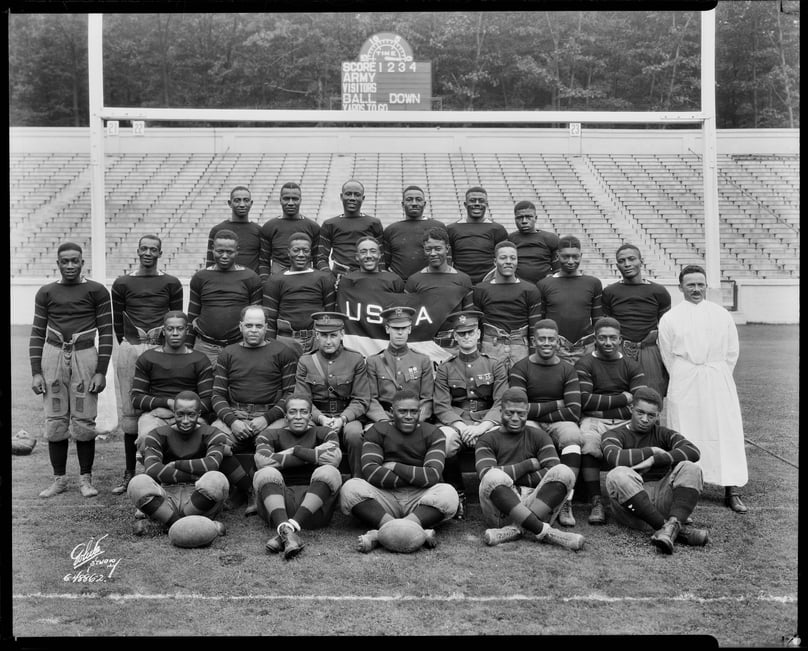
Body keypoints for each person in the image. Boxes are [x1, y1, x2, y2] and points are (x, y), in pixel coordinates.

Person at [658, 264, 749, 513]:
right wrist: (685, 374)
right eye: (691, 285)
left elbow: (731, 352)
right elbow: (667, 354)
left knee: (725, 429)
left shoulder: (721, 314)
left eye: (700, 284)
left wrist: (716, 374)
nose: (696, 289)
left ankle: (732, 489)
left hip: (717, 377)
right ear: (681, 287)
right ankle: (686, 486)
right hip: (685, 378)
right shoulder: (670, 318)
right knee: (686, 428)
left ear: (706, 286)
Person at [30, 241, 113, 499]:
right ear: (57, 263)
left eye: (74, 261)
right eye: (64, 261)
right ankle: (59, 480)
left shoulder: (97, 291)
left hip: (85, 354)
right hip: (53, 354)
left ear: (82, 262)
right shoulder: (46, 292)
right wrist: (36, 371)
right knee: (55, 419)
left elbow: (107, 332)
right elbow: (36, 333)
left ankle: (85, 479)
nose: (69, 265)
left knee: (84, 419)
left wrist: (101, 370)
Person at [339, 389, 459, 552]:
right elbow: (372, 473)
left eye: (413, 411)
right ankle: (417, 531)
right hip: (385, 496)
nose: (408, 416)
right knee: (350, 488)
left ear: (420, 412)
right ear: (391, 412)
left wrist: (394, 466)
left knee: (448, 493)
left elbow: (432, 476)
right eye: (402, 411)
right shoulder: (377, 431)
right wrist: (418, 474)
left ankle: (378, 535)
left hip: (420, 497)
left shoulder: (434, 433)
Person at [110, 234, 184, 495]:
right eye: (144, 248)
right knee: (130, 410)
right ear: (137, 251)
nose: (148, 253)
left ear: (160, 253)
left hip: (162, 347)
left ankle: (160, 467)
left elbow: (176, 318)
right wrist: (133, 345)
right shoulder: (122, 283)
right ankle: (130, 471)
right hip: (131, 346)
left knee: (163, 406)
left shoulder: (171, 283)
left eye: (154, 249)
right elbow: (118, 324)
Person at [210, 305, 300, 511]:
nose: (253, 330)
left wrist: (266, 418)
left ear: (266, 327)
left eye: (258, 326)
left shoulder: (282, 352)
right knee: (215, 440)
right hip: (236, 412)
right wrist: (233, 422)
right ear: (240, 326)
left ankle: (265, 491)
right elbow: (217, 395)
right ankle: (243, 489)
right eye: (248, 325)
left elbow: (290, 394)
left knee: (275, 439)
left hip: (269, 413)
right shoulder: (228, 353)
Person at [474, 387, 584, 551]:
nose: (516, 418)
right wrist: (527, 465)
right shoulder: (487, 439)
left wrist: (513, 475)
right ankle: (544, 532)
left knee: (564, 472)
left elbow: (552, 470)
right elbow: (485, 473)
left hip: (537, 503)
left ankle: (516, 529)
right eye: (509, 413)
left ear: (527, 412)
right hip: (502, 510)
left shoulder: (539, 435)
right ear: (500, 410)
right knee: (493, 476)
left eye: (521, 414)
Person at [602, 386, 709, 554]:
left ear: (658, 415)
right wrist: (652, 451)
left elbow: (693, 451)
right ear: (631, 409)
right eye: (640, 412)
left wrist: (656, 459)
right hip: (632, 509)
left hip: (662, 498)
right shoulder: (614, 434)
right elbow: (615, 458)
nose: (645, 419)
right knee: (618, 474)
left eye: (651, 415)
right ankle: (671, 529)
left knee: (691, 468)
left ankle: (669, 527)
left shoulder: (664, 434)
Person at [508, 319, 585, 528]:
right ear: (534, 341)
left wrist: (537, 410)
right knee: (524, 436)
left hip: (559, 421)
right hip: (532, 420)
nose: (547, 343)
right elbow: (518, 409)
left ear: (558, 342)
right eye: (542, 339)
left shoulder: (567, 369)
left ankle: (566, 498)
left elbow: (574, 410)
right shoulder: (520, 368)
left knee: (572, 436)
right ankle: (532, 496)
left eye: (551, 339)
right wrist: (557, 404)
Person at [433, 310, 507, 519]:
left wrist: (482, 426)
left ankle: (497, 494)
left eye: (470, 332)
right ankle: (457, 492)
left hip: (487, 420)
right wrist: (462, 426)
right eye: (461, 333)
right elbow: (441, 405)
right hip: (459, 423)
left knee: (501, 440)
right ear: (455, 336)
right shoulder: (445, 368)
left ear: (478, 334)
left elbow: (501, 401)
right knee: (445, 441)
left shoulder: (494, 363)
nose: (466, 337)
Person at [573, 316, 647, 525]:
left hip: (623, 419)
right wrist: (623, 398)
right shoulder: (585, 363)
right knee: (588, 442)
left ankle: (634, 495)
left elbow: (639, 404)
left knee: (640, 436)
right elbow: (585, 401)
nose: (608, 343)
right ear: (595, 339)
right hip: (593, 419)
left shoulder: (631, 365)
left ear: (620, 339)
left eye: (613, 338)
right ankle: (596, 500)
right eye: (603, 338)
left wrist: (601, 408)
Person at [252, 395, 344, 560]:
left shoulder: (325, 432)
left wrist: (292, 452)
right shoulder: (269, 434)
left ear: (310, 416)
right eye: (293, 412)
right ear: (285, 416)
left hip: (315, 507)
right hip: (279, 505)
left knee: (330, 471)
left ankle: (288, 529)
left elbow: (333, 458)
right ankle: (287, 527)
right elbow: (262, 460)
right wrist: (307, 453)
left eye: (304, 412)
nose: (299, 416)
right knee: (266, 473)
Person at [127, 391, 230, 537]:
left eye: (191, 415)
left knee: (216, 478)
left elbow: (211, 465)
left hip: (198, 494)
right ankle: (191, 524)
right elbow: (152, 469)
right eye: (180, 414)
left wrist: (176, 464)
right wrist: (195, 473)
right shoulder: (157, 434)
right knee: (137, 483)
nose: (186, 420)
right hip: (167, 496)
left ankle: (165, 524)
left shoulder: (213, 433)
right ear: (173, 412)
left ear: (199, 413)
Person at [293, 311, 371, 478]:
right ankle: (309, 482)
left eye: (333, 335)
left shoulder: (355, 360)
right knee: (304, 431)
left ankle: (358, 479)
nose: (328, 341)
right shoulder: (306, 361)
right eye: (323, 335)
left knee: (355, 434)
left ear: (342, 334)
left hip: (347, 415)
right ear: (316, 335)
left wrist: (343, 419)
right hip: (316, 416)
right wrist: (321, 418)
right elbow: (302, 400)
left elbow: (361, 399)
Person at [130, 311, 215, 454]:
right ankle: (153, 471)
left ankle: (194, 472)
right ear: (164, 331)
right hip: (157, 415)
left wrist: (183, 411)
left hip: (192, 415)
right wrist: (167, 403)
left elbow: (208, 400)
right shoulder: (148, 358)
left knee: (205, 438)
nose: (175, 333)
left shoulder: (200, 360)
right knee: (147, 436)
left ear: (187, 331)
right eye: (170, 329)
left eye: (180, 329)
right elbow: (136, 398)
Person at [602, 243, 671, 398]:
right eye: (622, 261)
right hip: (620, 348)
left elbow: (667, 327)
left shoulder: (659, 291)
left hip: (648, 350)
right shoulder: (609, 292)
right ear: (617, 265)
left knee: (651, 396)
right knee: (618, 395)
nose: (627, 264)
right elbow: (607, 325)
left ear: (641, 260)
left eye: (631, 259)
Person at [187, 229, 263, 368]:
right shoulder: (200, 277)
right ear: (212, 250)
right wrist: (187, 346)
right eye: (220, 251)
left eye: (229, 252)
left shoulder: (250, 278)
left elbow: (257, 317)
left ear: (237, 251)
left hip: (239, 345)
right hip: (205, 346)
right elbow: (192, 314)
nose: (224, 256)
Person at [262, 232, 336, 355]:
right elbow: (270, 317)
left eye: (305, 251)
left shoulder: (324, 278)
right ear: (288, 252)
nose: (301, 255)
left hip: (317, 340)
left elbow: (330, 313)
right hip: (286, 342)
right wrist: (270, 346)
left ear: (310, 253)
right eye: (296, 250)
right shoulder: (275, 280)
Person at [473, 240, 542, 371]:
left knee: (519, 389)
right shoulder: (480, 290)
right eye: (503, 258)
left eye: (513, 258)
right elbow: (476, 326)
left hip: (521, 349)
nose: (508, 261)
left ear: (517, 261)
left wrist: (534, 358)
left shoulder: (530, 290)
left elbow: (534, 329)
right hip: (490, 347)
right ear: (495, 262)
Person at [404, 228, 474, 355]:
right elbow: (408, 318)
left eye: (438, 248)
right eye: (428, 249)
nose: (433, 253)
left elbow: (469, 317)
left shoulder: (463, 279)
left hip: (455, 347)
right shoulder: (414, 280)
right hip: (423, 346)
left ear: (447, 248)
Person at [536, 235, 603, 365]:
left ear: (581, 256)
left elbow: (598, 320)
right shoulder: (544, 284)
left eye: (575, 256)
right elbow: (540, 320)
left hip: (585, 347)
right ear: (557, 256)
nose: (571, 261)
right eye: (566, 256)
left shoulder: (593, 283)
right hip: (555, 348)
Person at [365, 306, 434, 426]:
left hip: (413, 419)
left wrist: (416, 420)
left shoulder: (422, 360)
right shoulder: (374, 361)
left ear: (410, 329)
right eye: (396, 328)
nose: (400, 332)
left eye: (404, 328)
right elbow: (371, 399)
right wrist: (383, 421)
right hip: (384, 417)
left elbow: (427, 399)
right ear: (387, 329)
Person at [316, 179, 385, 283]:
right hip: (340, 277)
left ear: (363, 198)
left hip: (369, 277)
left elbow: (381, 256)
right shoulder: (329, 224)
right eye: (348, 194)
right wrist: (330, 277)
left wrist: (380, 277)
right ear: (341, 196)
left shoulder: (374, 223)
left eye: (357, 195)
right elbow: (321, 258)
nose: (352, 198)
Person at [382, 185, 447, 282]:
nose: (414, 203)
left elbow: (447, 258)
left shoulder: (438, 227)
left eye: (418, 199)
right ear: (402, 204)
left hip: (430, 283)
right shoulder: (391, 230)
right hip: (400, 285)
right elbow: (386, 262)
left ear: (424, 204)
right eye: (409, 199)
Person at [447, 186, 508, 284]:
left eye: (481, 201)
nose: (477, 204)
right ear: (465, 204)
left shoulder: (497, 229)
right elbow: (448, 258)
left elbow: (504, 257)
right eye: (472, 200)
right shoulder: (451, 229)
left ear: (486, 204)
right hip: (460, 280)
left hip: (489, 279)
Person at [258, 182, 321, 277]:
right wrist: (265, 282)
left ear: (300, 200)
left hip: (305, 276)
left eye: (295, 199)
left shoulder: (313, 227)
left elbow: (317, 259)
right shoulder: (269, 227)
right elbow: (263, 261)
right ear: (280, 200)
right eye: (286, 199)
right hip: (278, 277)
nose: (290, 203)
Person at [205, 185, 264, 278]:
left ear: (251, 203)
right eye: (237, 200)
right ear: (230, 203)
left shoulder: (259, 231)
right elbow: (210, 263)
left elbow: (263, 263)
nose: (242, 204)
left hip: (249, 284)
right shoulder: (217, 230)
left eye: (246, 200)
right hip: (223, 281)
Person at [506, 200, 560, 284]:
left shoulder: (550, 238)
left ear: (535, 218)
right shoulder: (510, 239)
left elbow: (558, 268)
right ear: (515, 219)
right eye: (520, 217)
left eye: (528, 217)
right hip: (518, 286)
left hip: (544, 285)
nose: (524, 221)